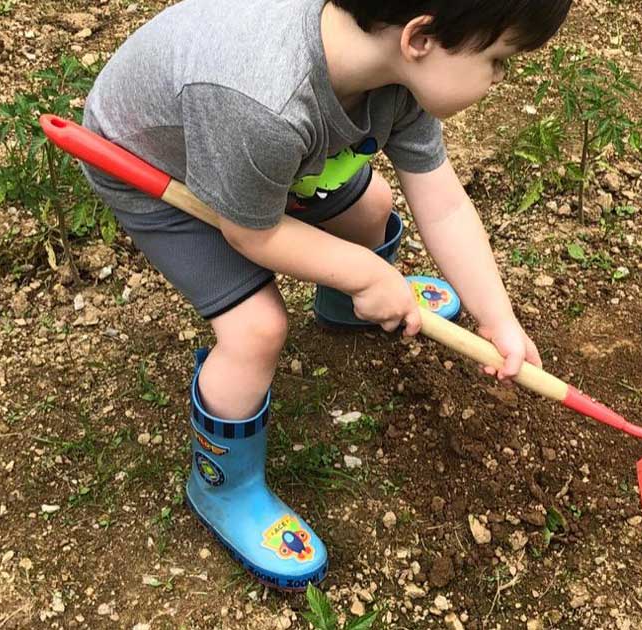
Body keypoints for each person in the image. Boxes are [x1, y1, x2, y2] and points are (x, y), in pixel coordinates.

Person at [80, 0, 571, 590]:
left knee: (371, 207)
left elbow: (441, 203)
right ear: (420, 37)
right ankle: (223, 488)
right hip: (157, 167)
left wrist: (500, 319)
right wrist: (365, 273)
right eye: (498, 60)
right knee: (255, 330)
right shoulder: (267, 100)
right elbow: (249, 232)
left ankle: (346, 309)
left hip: (249, 154)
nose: (499, 78)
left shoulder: (396, 78)